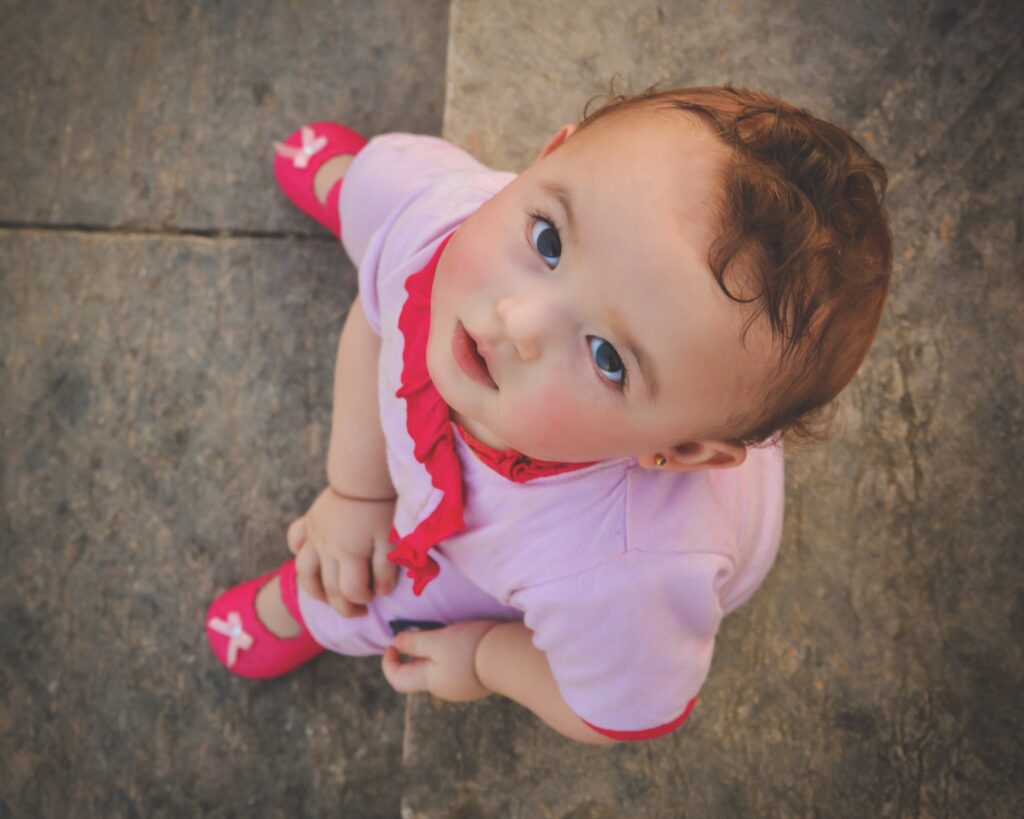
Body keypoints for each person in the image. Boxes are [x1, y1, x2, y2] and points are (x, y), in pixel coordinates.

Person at [205, 84, 893, 745]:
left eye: (607, 357)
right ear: (549, 156)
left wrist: (484, 658)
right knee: (398, 193)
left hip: (521, 541)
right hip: (483, 248)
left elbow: (616, 712)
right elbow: (378, 317)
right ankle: (358, 196)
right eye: (550, 241)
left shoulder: (620, 575)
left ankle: (318, 603)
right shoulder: (451, 235)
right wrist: (355, 491)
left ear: (680, 448)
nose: (518, 318)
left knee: (372, 586)